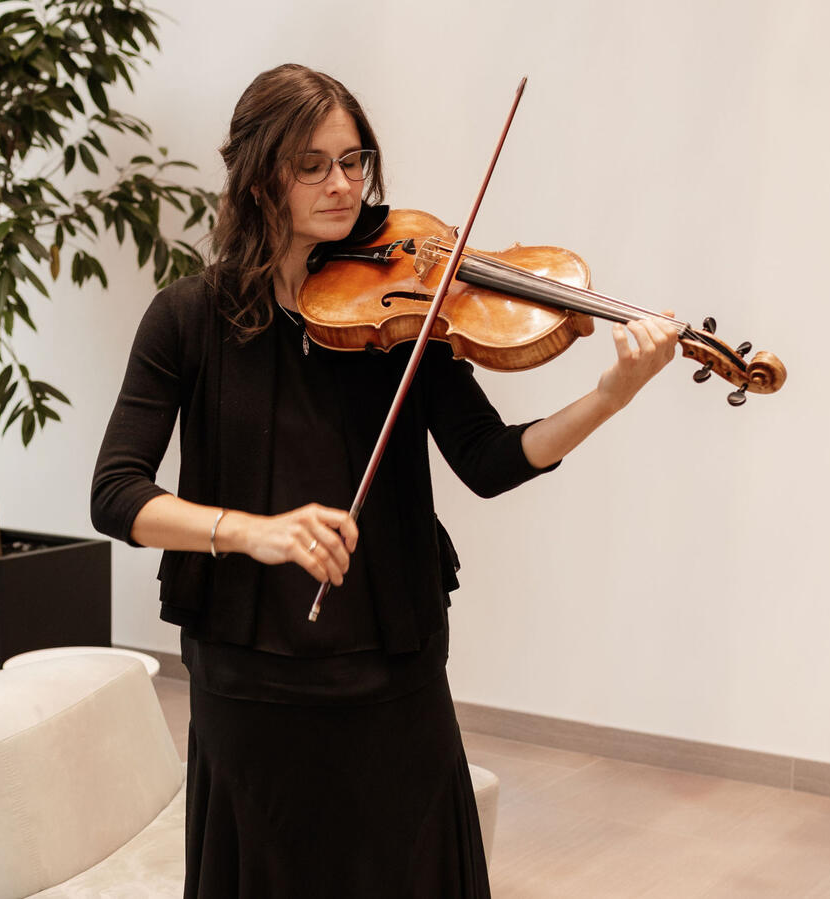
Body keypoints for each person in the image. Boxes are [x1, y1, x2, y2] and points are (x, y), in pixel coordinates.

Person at [91, 63, 678, 898]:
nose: (343, 183)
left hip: (391, 669)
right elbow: (117, 492)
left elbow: (490, 461)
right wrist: (254, 530)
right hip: (247, 675)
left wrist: (609, 396)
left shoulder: (406, 310)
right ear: (261, 176)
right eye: (313, 164)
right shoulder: (189, 317)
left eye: (355, 160)